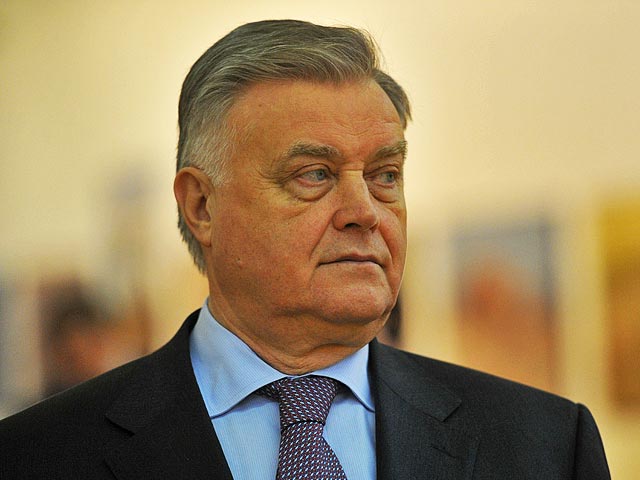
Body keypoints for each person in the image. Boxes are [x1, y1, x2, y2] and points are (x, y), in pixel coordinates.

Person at [0, 19, 610, 480]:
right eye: (314, 175)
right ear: (201, 206)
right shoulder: (36, 456)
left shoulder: (545, 446)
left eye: (386, 175)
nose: (365, 212)